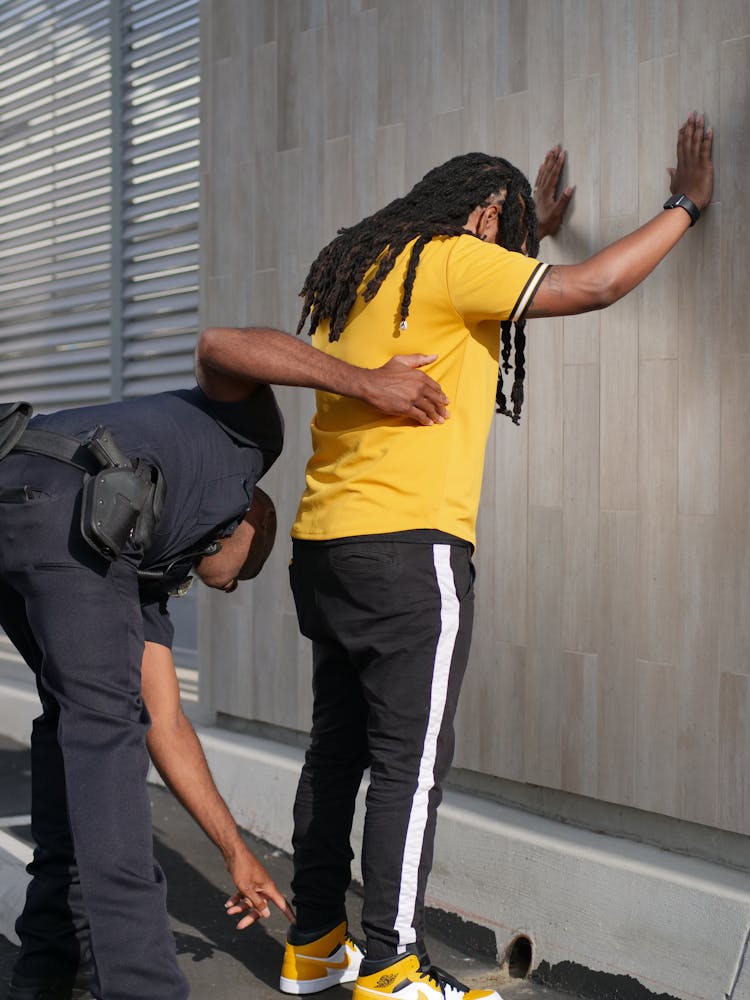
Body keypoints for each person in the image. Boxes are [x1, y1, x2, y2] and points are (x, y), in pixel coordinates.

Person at [278, 113, 714, 1000]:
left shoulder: (362, 270)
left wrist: (534, 229)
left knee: (337, 750)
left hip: (326, 547)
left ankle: (314, 945)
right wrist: (685, 206)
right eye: (510, 233)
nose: (514, 253)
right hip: (411, 555)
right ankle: (394, 964)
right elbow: (592, 288)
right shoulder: (451, 258)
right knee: (411, 763)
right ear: (483, 218)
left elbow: (488, 284)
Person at [0, 325, 449, 1000]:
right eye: (238, 574)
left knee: (75, 727)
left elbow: (167, 723)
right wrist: (367, 382)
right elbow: (220, 344)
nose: (225, 586)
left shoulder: (149, 561)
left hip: (20, 492)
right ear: (252, 523)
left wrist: (236, 851)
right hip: (73, 505)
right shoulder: (247, 443)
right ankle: (140, 987)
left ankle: (47, 966)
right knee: (103, 746)